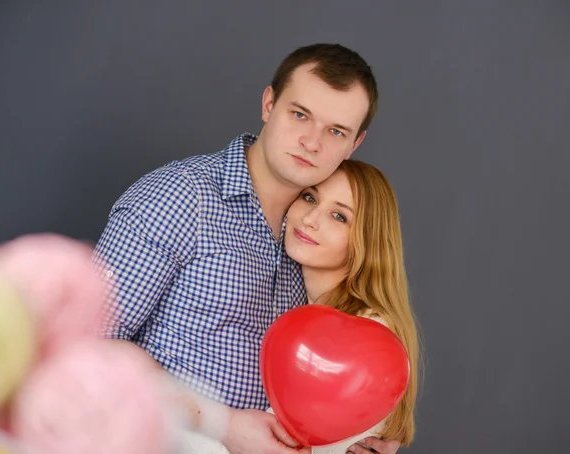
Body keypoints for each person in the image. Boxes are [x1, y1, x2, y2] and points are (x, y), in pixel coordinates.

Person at [94, 43, 402, 454]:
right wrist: (223, 426)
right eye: (300, 114)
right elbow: (88, 344)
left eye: (335, 131)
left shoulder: (312, 245)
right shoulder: (181, 198)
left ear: (354, 144)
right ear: (268, 103)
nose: (312, 142)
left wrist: (347, 443)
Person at [177, 160, 420, 453]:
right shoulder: (295, 297)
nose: (310, 219)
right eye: (309, 197)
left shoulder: (365, 334)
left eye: (339, 216)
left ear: (366, 242)